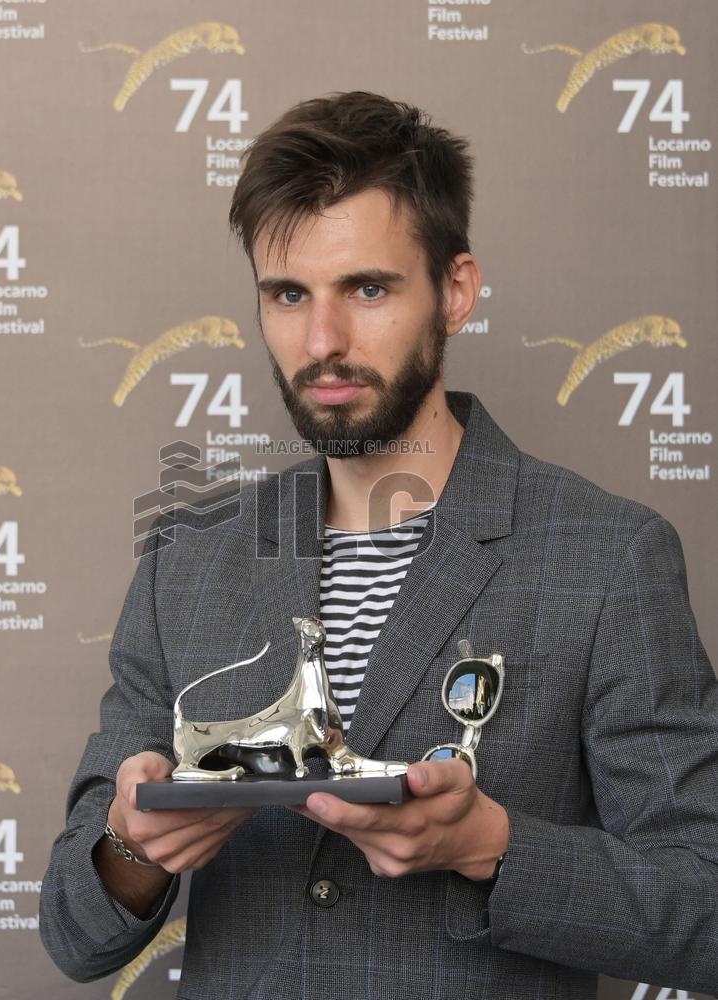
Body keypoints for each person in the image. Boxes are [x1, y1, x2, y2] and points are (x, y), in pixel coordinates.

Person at [40, 92, 718, 999]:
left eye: (367, 288)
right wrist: (137, 845)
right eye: (288, 295)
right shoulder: (188, 559)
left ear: (457, 291)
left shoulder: (607, 557)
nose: (323, 343)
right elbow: (73, 932)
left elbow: (703, 906)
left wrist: (494, 848)